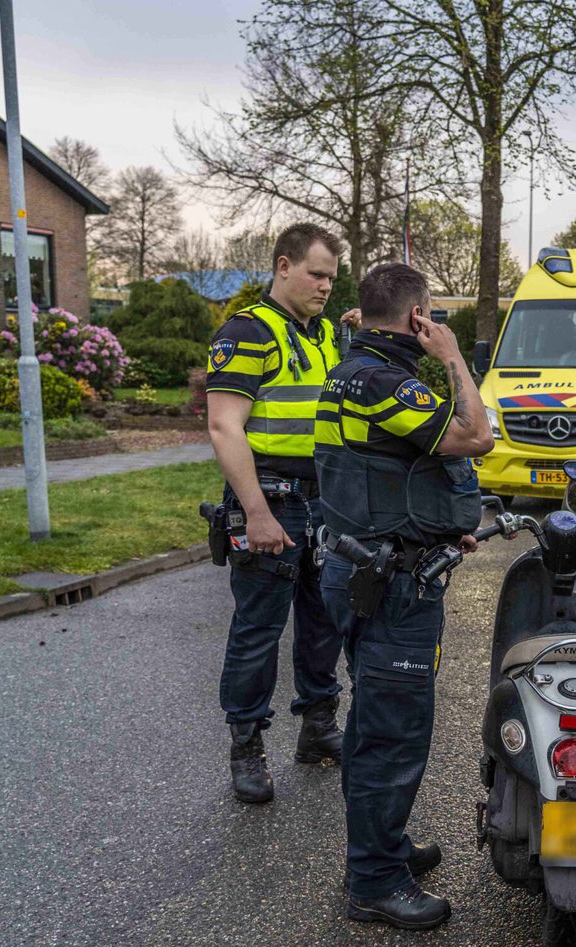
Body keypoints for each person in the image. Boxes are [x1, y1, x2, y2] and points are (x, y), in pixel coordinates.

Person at [314, 262, 493, 931]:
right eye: (433, 318)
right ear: (419, 316)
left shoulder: (355, 371)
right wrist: (453, 358)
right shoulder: (382, 379)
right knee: (393, 732)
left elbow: (385, 470)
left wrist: (440, 524)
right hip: (392, 584)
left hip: (374, 565)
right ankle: (374, 882)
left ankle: (380, 851)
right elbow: (475, 436)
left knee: (374, 723)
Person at [205, 222, 359, 803]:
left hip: (324, 503)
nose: (325, 286)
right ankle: (246, 746)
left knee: (324, 622)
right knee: (258, 630)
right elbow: (224, 428)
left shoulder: (321, 333)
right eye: (317, 274)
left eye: (331, 278)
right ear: (283, 265)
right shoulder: (247, 332)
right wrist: (256, 511)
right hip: (271, 500)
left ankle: (317, 728)